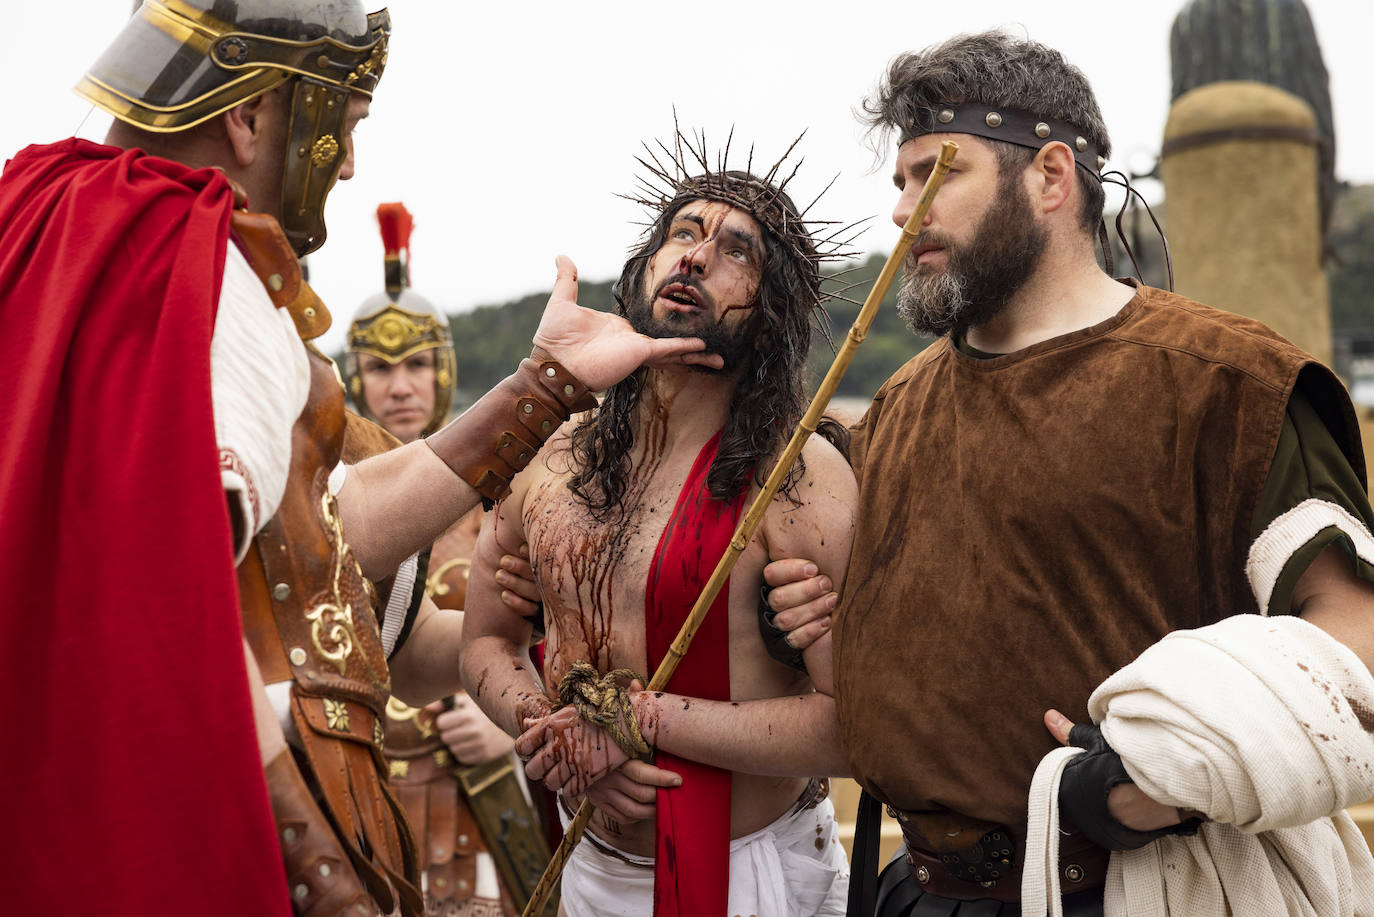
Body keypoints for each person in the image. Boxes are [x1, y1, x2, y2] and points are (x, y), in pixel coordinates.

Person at [0, 3, 715, 915]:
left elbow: (320, 535)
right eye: (344, 120)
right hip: (190, 845)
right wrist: (320, 873)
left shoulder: (41, 222)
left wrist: (544, 386)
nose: (349, 160)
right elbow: (166, 608)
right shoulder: (196, 272)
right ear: (252, 116)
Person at [764, 30, 1374, 916]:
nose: (902, 212)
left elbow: (1355, 640)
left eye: (938, 172)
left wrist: (1147, 778)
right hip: (912, 893)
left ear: (1051, 177)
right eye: (898, 182)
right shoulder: (893, 408)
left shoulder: (1226, 384)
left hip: (1139, 888)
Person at [459, 142, 858, 917]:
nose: (698, 256)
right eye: (683, 232)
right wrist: (553, 734)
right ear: (644, 265)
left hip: (755, 874)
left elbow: (852, 728)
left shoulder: (798, 479)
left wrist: (636, 723)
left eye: (735, 249)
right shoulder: (550, 457)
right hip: (589, 862)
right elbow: (485, 643)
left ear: (771, 307)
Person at [345, 201, 543, 916]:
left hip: (482, 810)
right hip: (359, 803)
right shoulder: (324, 493)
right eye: (379, 366)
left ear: (444, 368)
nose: (399, 385)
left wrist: (507, 725)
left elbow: (558, 634)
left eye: (417, 364)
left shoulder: (505, 495)